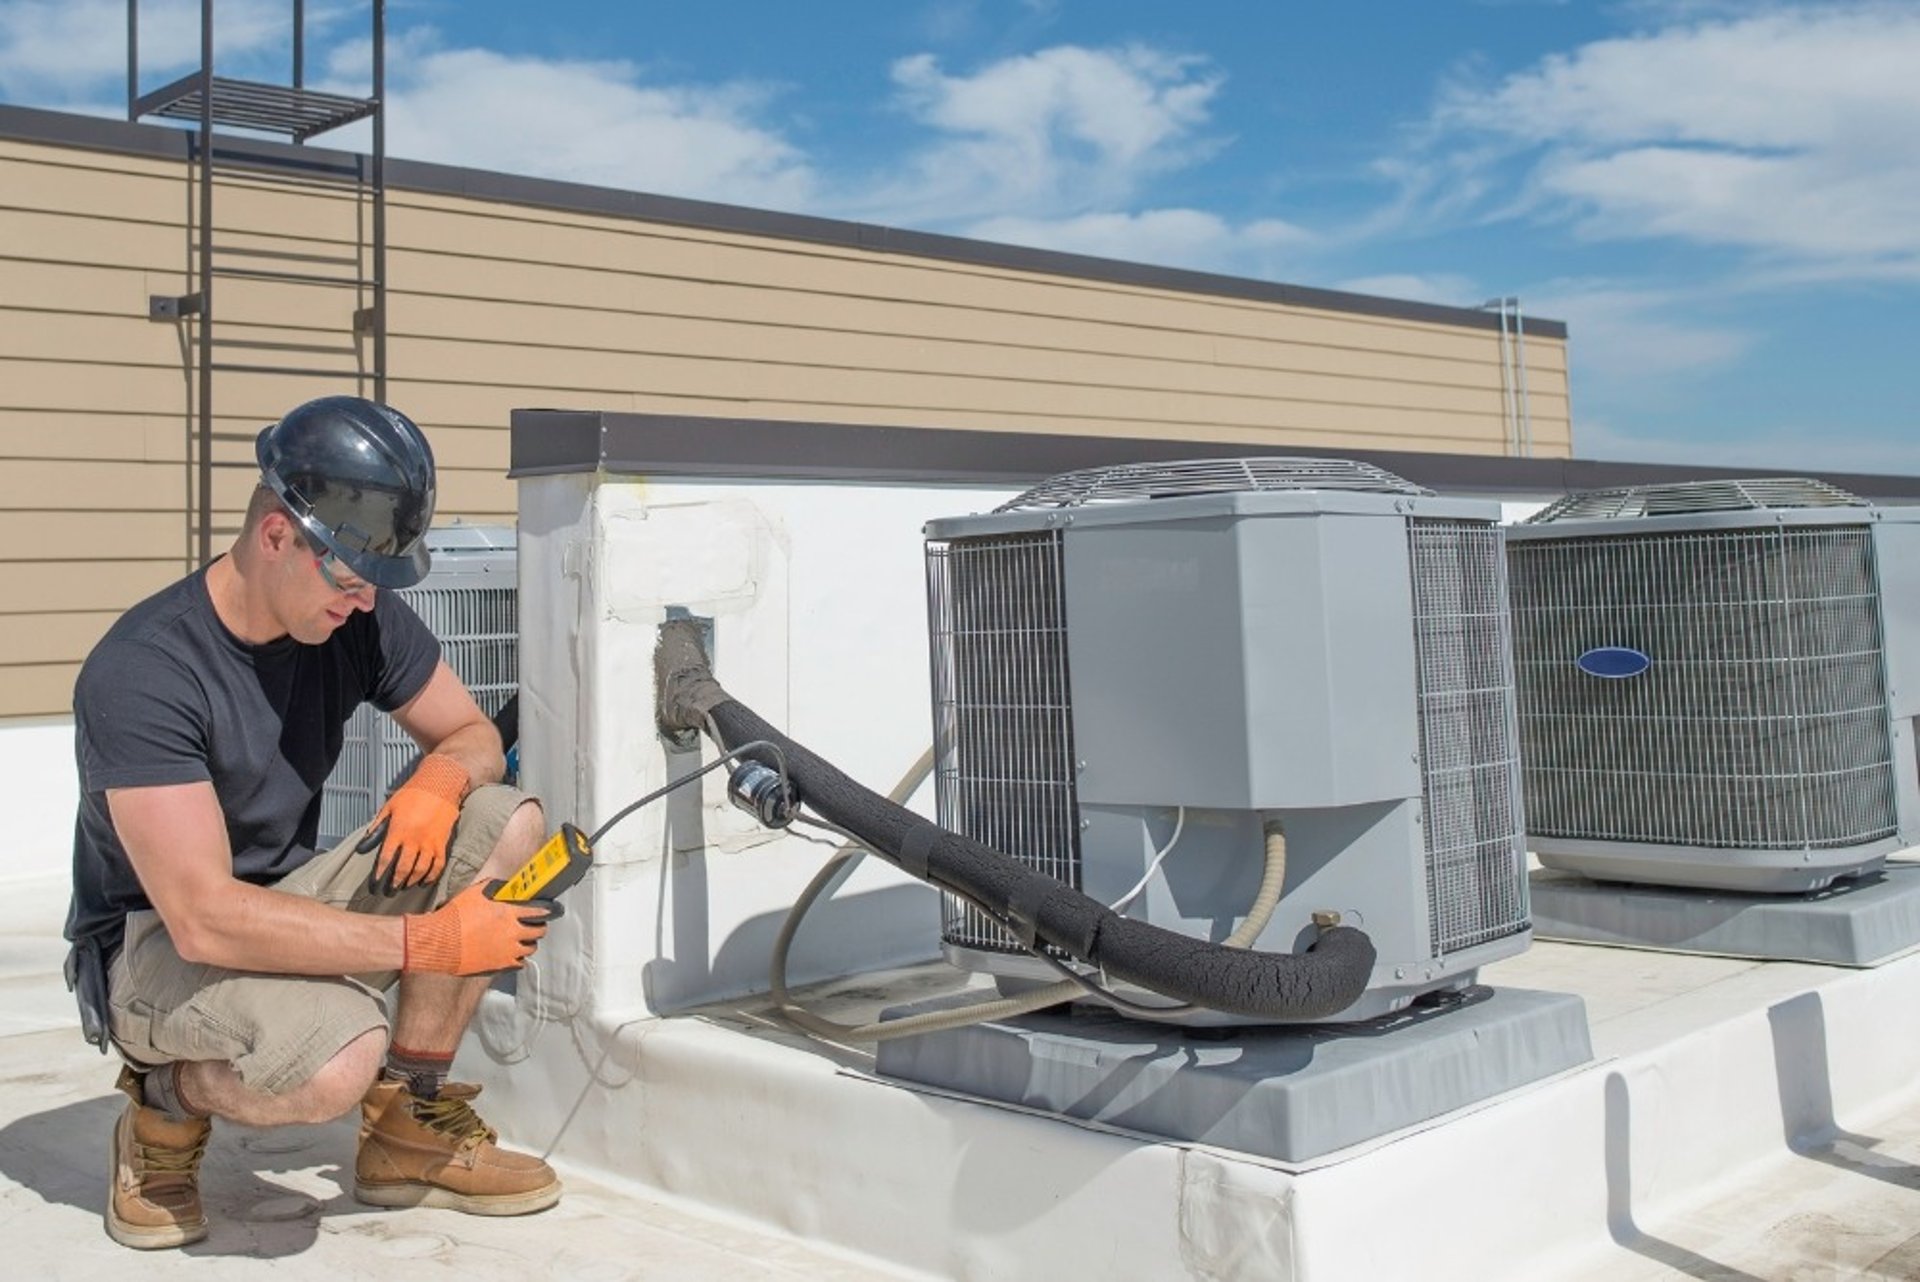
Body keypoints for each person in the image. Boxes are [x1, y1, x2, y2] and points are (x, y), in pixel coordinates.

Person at [64, 395, 560, 1251]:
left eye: (376, 584)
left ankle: (408, 1124)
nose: (364, 603)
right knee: (336, 1061)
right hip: (154, 946)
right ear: (275, 537)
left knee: (503, 819)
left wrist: (440, 781)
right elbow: (204, 917)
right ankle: (162, 1107)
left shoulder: (354, 614)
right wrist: (431, 944)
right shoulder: (145, 673)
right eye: (350, 579)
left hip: (283, 896)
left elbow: (474, 734)